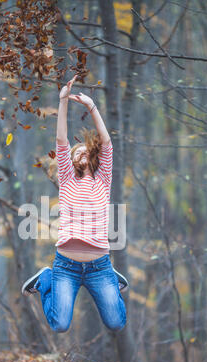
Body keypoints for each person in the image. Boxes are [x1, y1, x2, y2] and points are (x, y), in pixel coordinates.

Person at [21, 74, 128, 333]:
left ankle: (112, 280)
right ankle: (46, 280)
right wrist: (63, 102)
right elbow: (61, 140)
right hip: (65, 265)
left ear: (91, 157)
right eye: (74, 152)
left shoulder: (103, 179)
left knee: (116, 322)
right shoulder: (67, 179)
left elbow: (107, 143)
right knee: (59, 325)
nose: (78, 152)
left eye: (83, 151)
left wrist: (91, 107)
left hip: (99, 266)